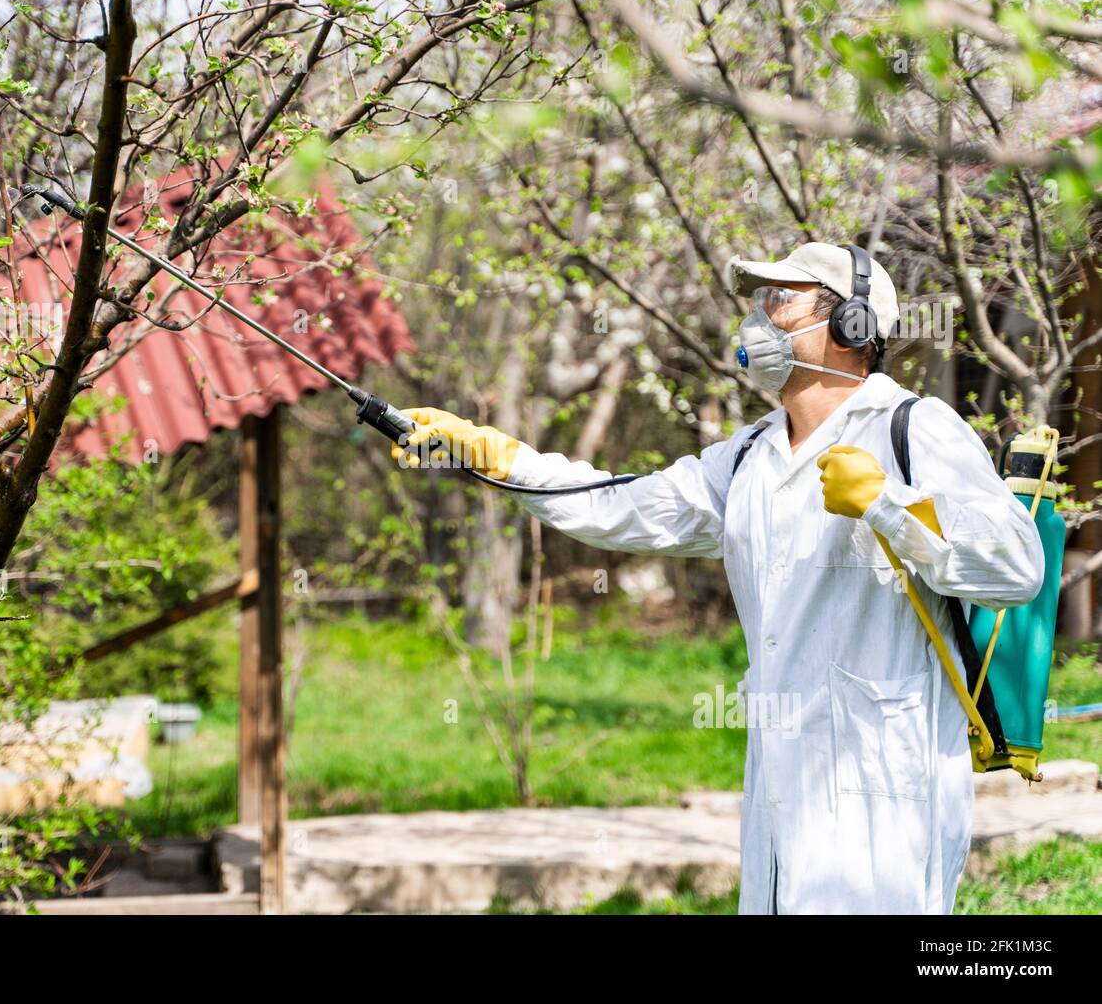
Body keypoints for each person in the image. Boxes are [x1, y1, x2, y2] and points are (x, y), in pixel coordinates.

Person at [390, 242, 1045, 914]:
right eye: (759, 302)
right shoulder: (748, 458)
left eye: (781, 300)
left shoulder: (914, 427)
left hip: (885, 806)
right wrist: (494, 456)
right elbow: (620, 503)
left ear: (851, 325)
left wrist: (888, 504)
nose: (760, 319)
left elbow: (1017, 566)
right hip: (778, 808)